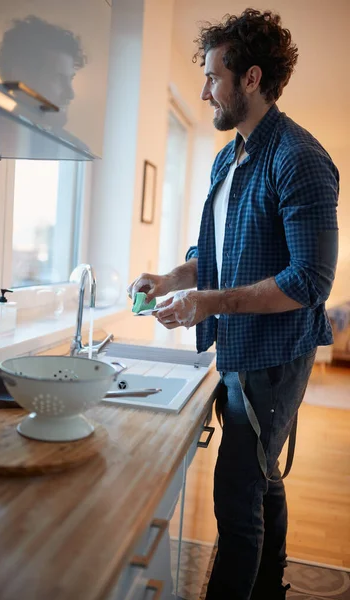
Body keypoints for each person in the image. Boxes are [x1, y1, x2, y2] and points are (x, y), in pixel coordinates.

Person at [127, 8, 339, 600]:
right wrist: (171, 278)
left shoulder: (300, 158)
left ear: (250, 78)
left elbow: (311, 281)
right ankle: (271, 587)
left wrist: (209, 302)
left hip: (274, 361)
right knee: (265, 481)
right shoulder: (231, 157)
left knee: (236, 499)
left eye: (212, 76)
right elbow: (217, 253)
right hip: (238, 352)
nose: (203, 90)